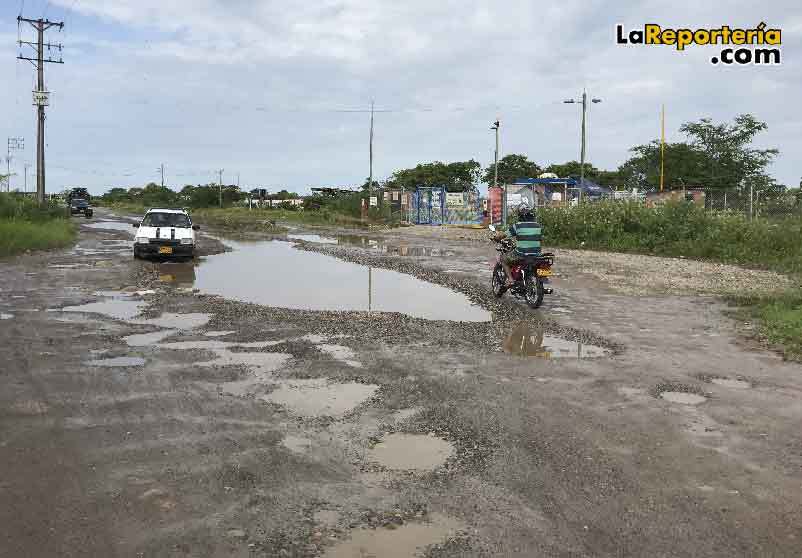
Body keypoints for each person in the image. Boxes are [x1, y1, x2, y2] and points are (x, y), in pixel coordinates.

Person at [494, 202, 543, 287]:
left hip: (522, 255)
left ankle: (510, 280)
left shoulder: (518, 226)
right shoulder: (538, 225)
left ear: (520, 215)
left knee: (503, 259)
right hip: (536, 255)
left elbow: (503, 235)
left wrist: (497, 237)